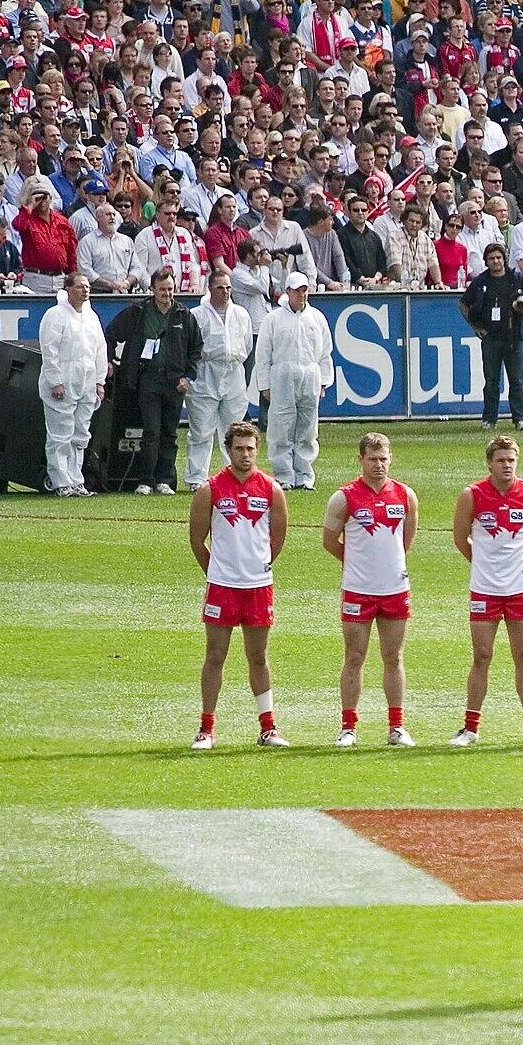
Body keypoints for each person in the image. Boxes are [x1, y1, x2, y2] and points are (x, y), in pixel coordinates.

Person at [189, 420, 289, 750]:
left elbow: (278, 538)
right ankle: (206, 729)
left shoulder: (272, 489)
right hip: (222, 586)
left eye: (250, 449)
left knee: (258, 657)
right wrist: (217, 571)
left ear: (257, 450)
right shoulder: (211, 488)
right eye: (239, 449)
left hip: (259, 586)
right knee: (215, 655)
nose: (245, 455)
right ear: (228, 451)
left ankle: (268, 727)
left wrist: (257, 566)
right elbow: (196, 539)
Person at [322, 433, 419, 748]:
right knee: (354, 656)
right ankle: (348, 726)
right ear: (360, 459)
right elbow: (329, 541)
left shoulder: (405, 495)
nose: (379, 465)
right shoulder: (344, 497)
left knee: (394, 656)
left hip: (394, 589)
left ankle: (397, 726)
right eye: (373, 459)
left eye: (383, 458)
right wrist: (355, 565)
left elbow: (405, 542)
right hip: (358, 591)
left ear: (390, 458)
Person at [452, 435, 523, 746]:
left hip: (521, 588)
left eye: (511, 460)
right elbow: (460, 538)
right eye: (501, 460)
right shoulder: (472, 495)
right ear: (489, 463)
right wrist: (483, 565)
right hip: (484, 589)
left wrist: (516, 566)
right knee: (481, 656)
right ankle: (470, 728)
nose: (507, 465)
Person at [105, 268, 205, 496]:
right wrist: (109, 362)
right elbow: (111, 333)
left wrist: (189, 376)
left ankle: (165, 480)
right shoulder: (138, 311)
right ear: (152, 290)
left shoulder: (183, 314)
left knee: (170, 433)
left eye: (170, 289)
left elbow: (196, 348)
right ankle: (145, 479)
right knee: (150, 431)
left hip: (175, 381)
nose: (167, 294)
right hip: (148, 378)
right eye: (162, 290)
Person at [255, 273, 334, 491]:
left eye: (304, 290)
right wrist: (264, 385)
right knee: (281, 426)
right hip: (281, 375)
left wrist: (324, 382)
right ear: (287, 291)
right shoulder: (274, 319)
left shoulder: (317, 318)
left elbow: (325, 352)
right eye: (297, 290)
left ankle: (305, 475)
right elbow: (263, 354)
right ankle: (283, 476)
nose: (301, 295)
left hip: (310, 374)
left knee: (308, 428)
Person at [185, 269, 254, 493]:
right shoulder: (197, 314)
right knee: (202, 430)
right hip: (206, 373)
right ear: (210, 289)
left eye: (228, 288)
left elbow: (247, 346)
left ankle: (233, 473)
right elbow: (191, 347)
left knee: (233, 428)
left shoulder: (241, 314)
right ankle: (196, 477)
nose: (225, 293)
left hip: (233, 372)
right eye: (220, 288)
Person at [39, 276, 107, 498]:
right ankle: (60, 480)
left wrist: (99, 381)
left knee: (80, 434)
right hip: (63, 382)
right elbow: (50, 351)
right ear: (68, 289)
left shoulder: (91, 316)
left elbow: (100, 348)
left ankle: (76, 480)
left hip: (86, 382)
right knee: (60, 434)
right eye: (79, 286)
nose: (85, 291)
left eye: (87, 287)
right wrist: (55, 381)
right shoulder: (55, 316)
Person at [460, 243, 523, 431]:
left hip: (513, 336)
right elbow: (463, 304)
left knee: (516, 380)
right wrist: (475, 326)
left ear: (504, 258)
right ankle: (489, 419)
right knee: (491, 381)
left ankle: (519, 419)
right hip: (491, 337)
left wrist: (522, 308)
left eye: (498, 257)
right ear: (486, 261)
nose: (496, 261)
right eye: (491, 258)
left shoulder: (516, 278)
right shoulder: (480, 282)